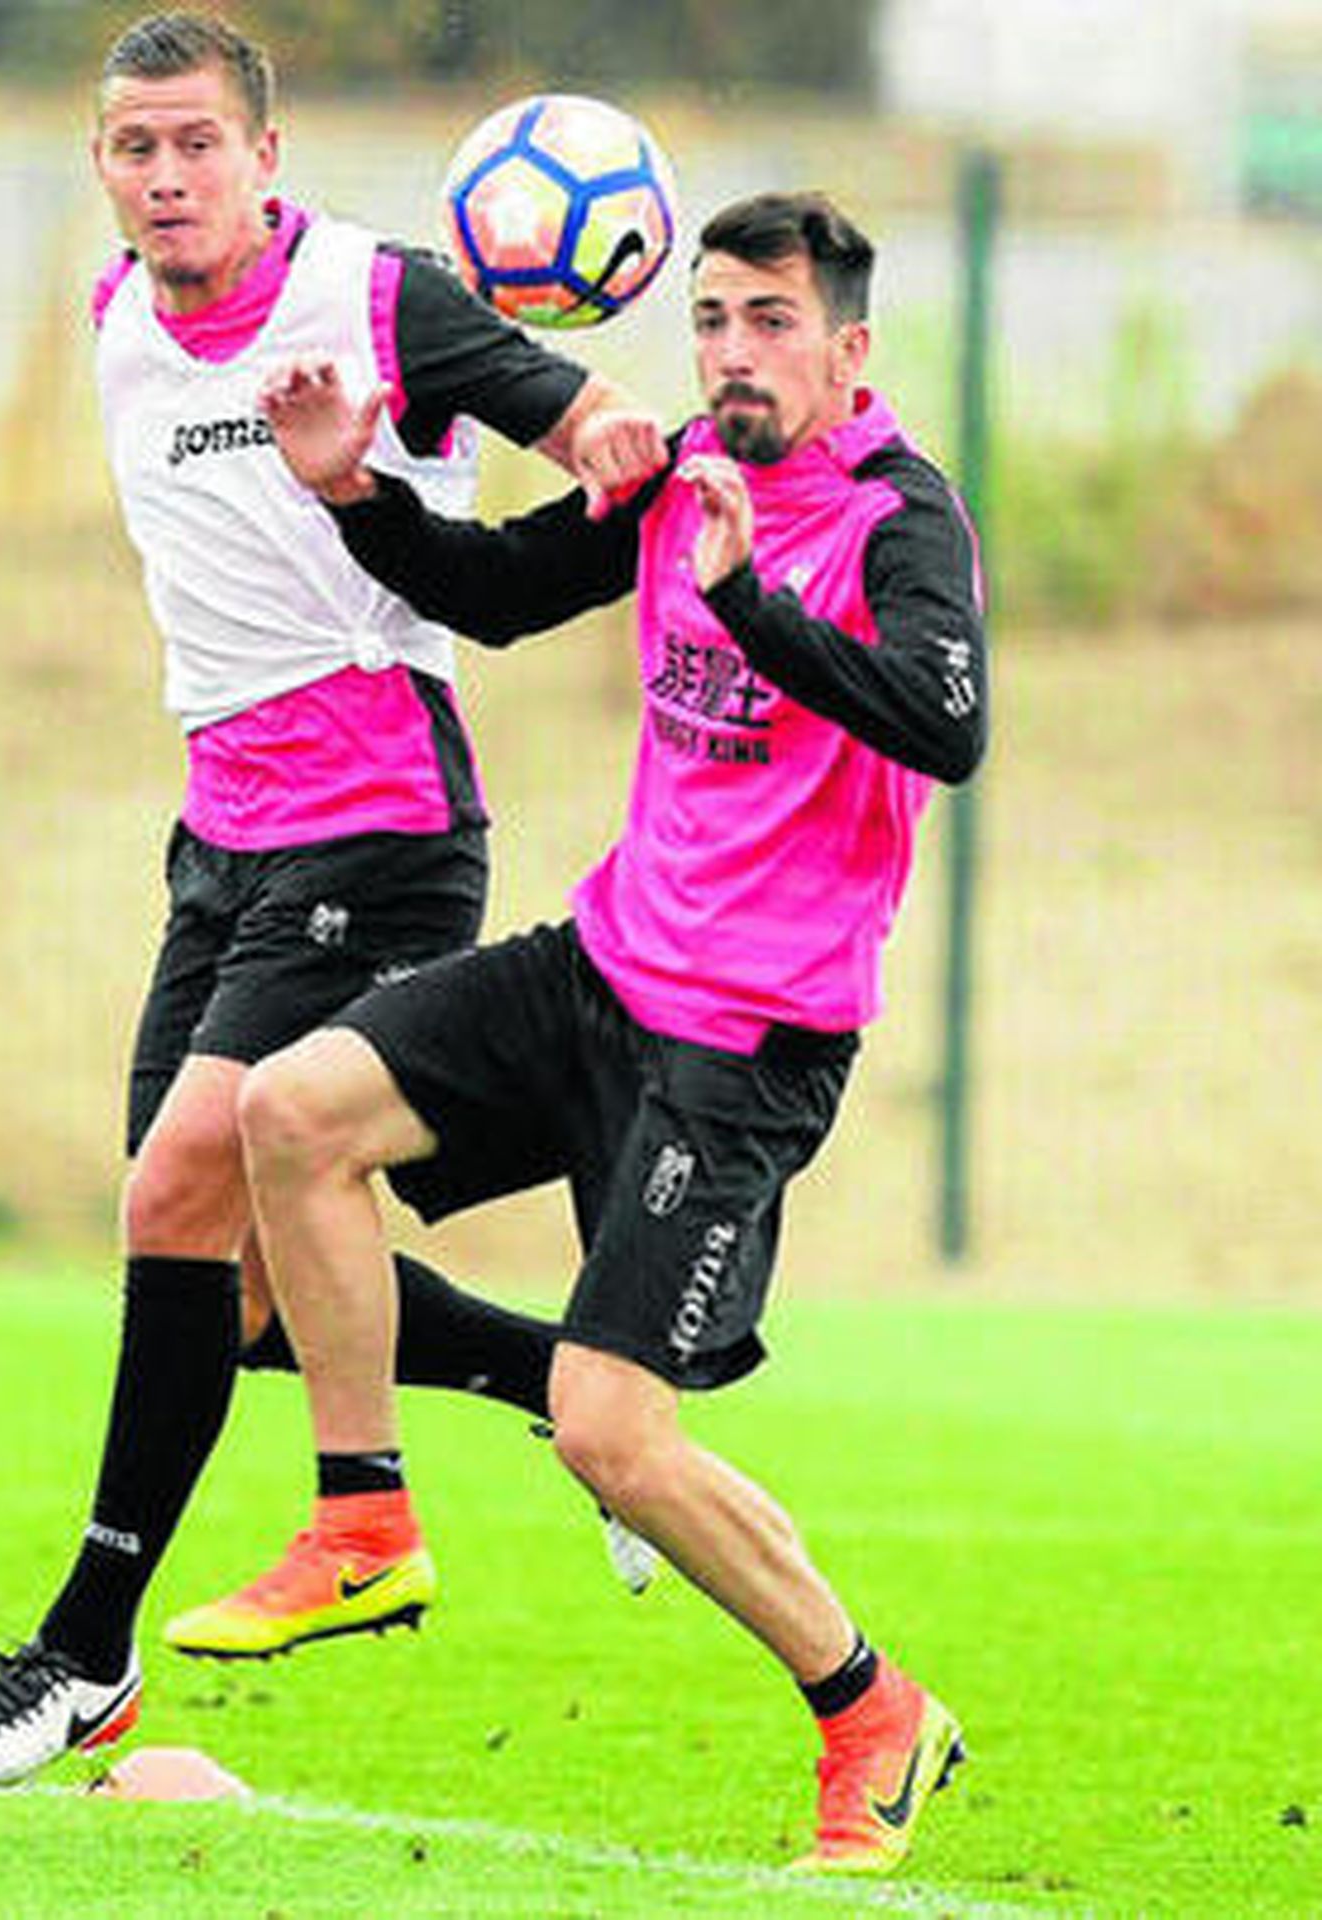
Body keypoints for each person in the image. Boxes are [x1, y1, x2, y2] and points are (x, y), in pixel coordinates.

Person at [0, 8, 668, 1791]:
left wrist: (613, 423)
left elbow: (599, 445)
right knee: (224, 1294)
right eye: (131, 147)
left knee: (181, 1180)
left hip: (382, 823)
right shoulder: (112, 318)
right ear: (103, 168)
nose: (165, 176)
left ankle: (82, 1656)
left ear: (266, 157)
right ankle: (581, 1390)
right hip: (221, 842)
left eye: (195, 145)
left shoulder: (382, 299)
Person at [208, 189, 987, 1876]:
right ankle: (361, 1518)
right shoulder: (669, 481)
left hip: (751, 1044)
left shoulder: (896, 514)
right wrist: (354, 486)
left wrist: (753, 596)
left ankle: (873, 1712)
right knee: (288, 1115)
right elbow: (487, 593)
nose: (731, 354)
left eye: (770, 323)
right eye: (710, 319)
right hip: (605, 966)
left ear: (849, 349)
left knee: (612, 1435)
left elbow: (944, 725)